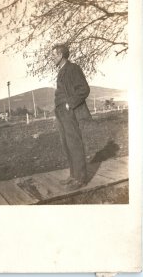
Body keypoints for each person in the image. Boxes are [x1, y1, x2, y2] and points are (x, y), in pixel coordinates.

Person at [52, 43, 92, 190]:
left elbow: (84, 89)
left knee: (74, 143)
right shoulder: (61, 70)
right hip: (60, 112)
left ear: (61, 55)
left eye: (54, 55)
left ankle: (81, 179)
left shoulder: (73, 68)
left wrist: (70, 104)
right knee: (66, 144)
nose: (52, 58)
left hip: (69, 111)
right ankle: (73, 175)